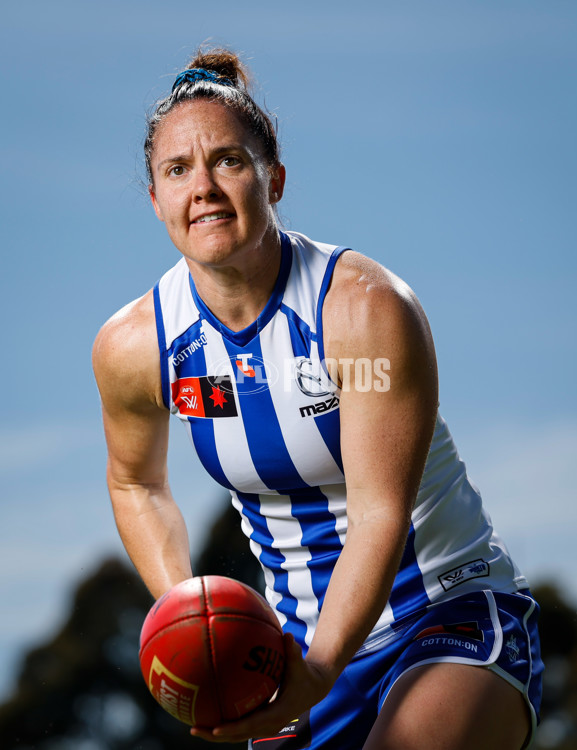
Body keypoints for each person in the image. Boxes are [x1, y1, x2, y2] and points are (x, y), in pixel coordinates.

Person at [92, 47, 543, 749]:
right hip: (289, 651)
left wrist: (323, 668)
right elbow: (136, 484)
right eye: (177, 170)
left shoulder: (360, 312)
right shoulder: (136, 348)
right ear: (155, 199)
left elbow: (376, 512)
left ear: (273, 177)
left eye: (228, 161)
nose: (203, 187)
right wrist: (194, 618)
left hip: (444, 611)